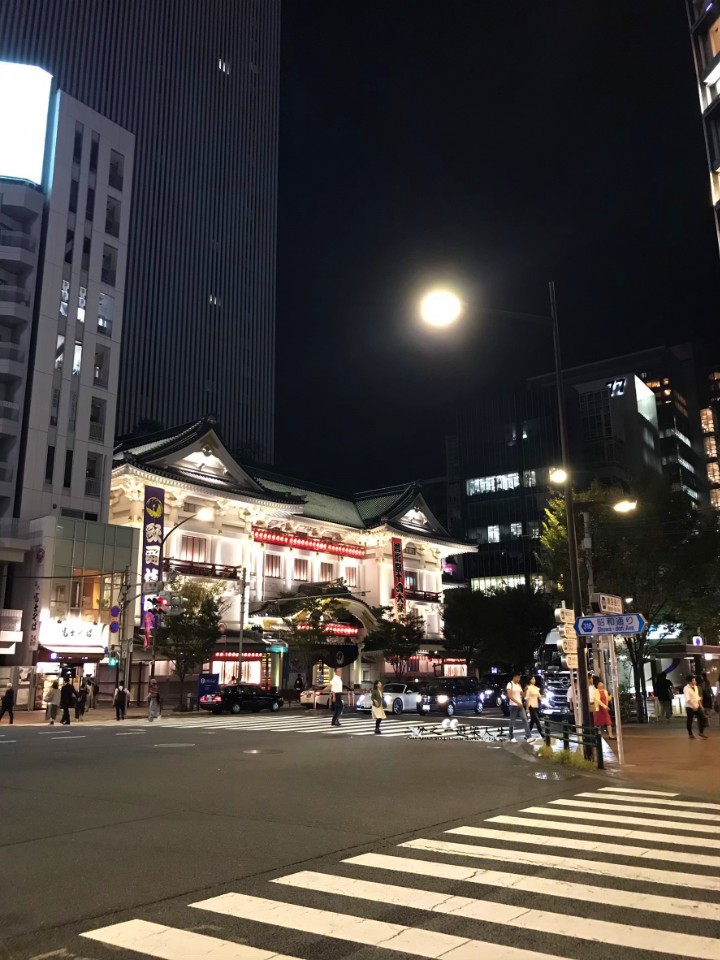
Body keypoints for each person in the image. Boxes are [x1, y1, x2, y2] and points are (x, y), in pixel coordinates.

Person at [506, 672, 536, 743]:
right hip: (513, 706)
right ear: (515, 677)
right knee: (512, 722)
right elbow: (509, 695)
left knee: (525, 720)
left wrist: (525, 690)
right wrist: (517, 702)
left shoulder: (518, 685)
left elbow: (522, 695)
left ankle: (528, 736)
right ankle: (511, 736)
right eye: (518, 678)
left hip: (520, 705)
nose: (519, 679)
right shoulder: (510, 684)